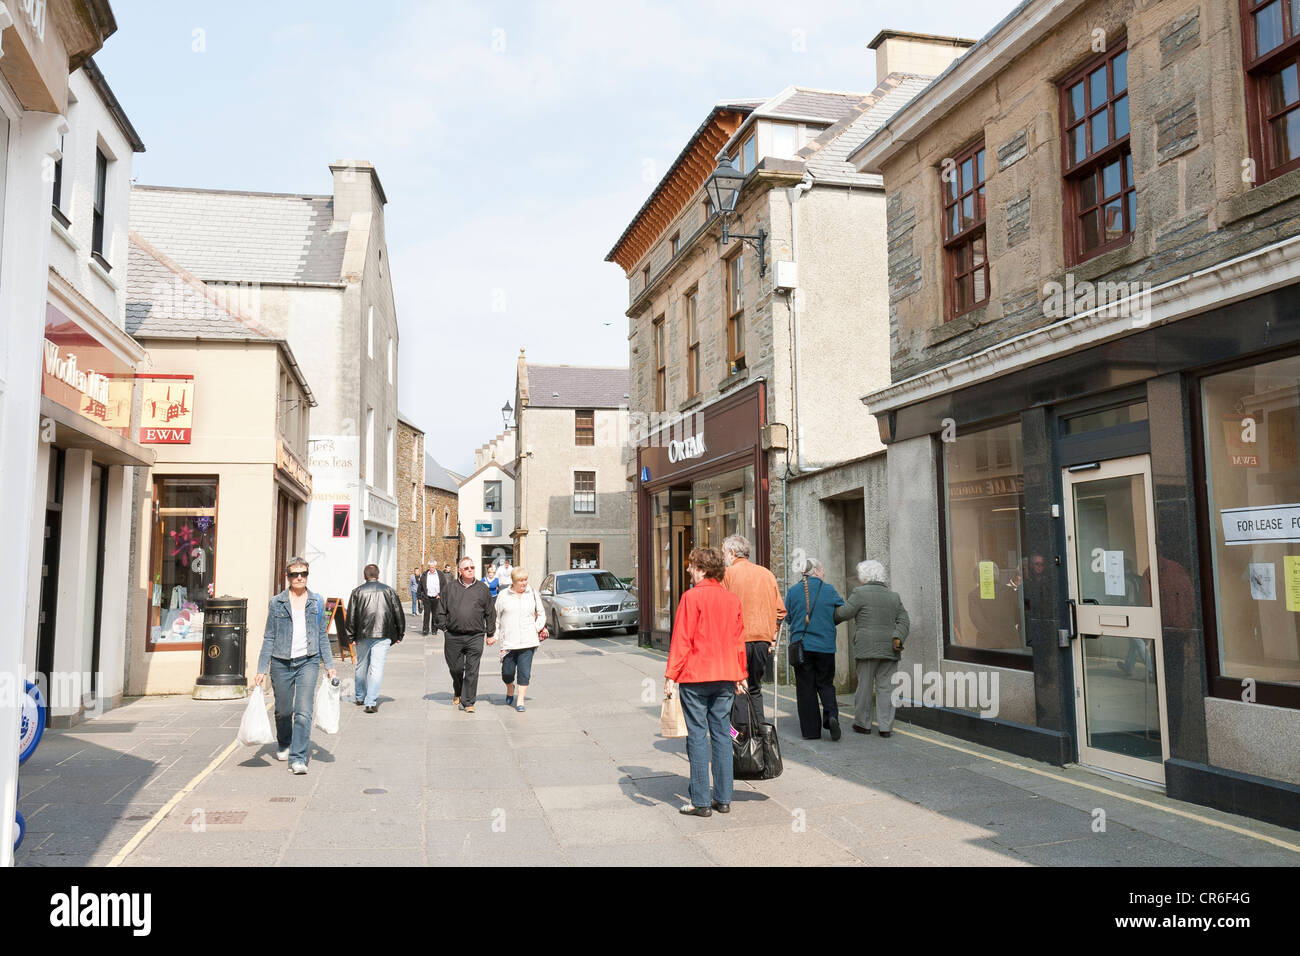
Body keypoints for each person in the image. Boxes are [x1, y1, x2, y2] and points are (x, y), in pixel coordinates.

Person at [665, 547, 746, 818]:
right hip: (725, 674)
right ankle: (723, 798)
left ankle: (700, 801)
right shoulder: (732, 599)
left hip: (696, 675)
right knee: (722, 735)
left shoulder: (690, 598)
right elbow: (738, 641)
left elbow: (682, 639)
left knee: (698, 737)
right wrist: (740, 674)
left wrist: (670, 676)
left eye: (691, 565)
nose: (688, 569)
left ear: (701, 568)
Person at [255, 556, 337, 774]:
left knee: (303, 711)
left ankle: (298, 757)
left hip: (308, 662)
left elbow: (321, 636)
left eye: (303, 574)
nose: (299, 578)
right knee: (283, 710)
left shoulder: (317, 601)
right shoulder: (276, 603)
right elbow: (269, 637)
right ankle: (284, 741)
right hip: (281, 662)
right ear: (287, 576)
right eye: (295, 574)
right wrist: (261, 669)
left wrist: (329, 665)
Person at [834, 560, 910, 737]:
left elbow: (844, 613)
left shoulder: (860, 593)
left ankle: (863, 724)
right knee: (886, 688)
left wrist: (829, 615)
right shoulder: (893, 596)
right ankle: (885, 727)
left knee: (865, 687)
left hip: (866, 647)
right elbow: (904, 620)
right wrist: (897, 636)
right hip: (890, 648)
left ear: (865, 576)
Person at [721, 534, 786, 729]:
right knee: (756, 688)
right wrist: (772, 636)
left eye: (724, 552)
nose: (724, 556)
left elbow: (722, 609)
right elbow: (780, 611)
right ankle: (760, 734)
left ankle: (742, 737)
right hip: (762, 641)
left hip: (738, 641)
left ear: (732, 553)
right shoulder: (766, 574)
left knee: (738, 687)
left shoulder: (728, 575)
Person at [784, 558, 845, 741]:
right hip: (825, 646)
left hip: (802, 647)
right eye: (823, 570)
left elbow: (787, 617)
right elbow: (840, 611)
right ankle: (831, 716)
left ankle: (811, 732)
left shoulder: (793, 591)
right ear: (817, 571)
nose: (824, 573)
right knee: (825, 684)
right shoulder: (829, 589)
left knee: (805, 688)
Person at [435, 556, 496, 713]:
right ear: (460, 571)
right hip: (453, 635)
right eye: (467, 568)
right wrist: (445, 628)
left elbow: (490, 612)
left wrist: (490, 633)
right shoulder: (450, 588)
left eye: (472, 567)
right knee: (455, 669)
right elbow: (441, 610)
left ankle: (468, 702)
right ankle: (458, 690)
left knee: (472, 669)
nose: (470, 570)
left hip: (475, 636)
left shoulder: (482, 588)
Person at [345, 563, 406, 713]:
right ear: (378, 575)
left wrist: (350, 636)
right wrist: (400, 633)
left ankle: (360, 696)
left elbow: (351, 616)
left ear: (364, 576)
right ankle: (370, 702)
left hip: (362, 634)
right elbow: (398, 613)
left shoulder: (357, 592)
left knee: (361, 666)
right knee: (376, 668)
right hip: (383, 633)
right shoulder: (389, 591)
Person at [491, 567, 545, 712]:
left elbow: (541, 614)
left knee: (524, 672)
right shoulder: (503, 595)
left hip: (528, 640)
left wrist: (536, 628)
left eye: (525, 580)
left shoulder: (532, 594)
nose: (524, 583)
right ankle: (510, 687)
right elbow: (495, 618)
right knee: (507, 673)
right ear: (513, 581)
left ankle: (520, 700)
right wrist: (494, 635)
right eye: (520, 580)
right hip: (509, 641)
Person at [418, 561, 442, 636]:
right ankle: (425, 630)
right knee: (426, 615)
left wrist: (440, 594)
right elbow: (420, 586)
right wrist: (419, 597)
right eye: (430, 567)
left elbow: (444, 586)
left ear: (435, 567)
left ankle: (434, 629)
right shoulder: (425, 575)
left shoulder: (440, 574)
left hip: (436, 597)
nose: (431, 568)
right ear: (428, 567)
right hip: (427, 597)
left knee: (435, 615)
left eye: (433, 567)